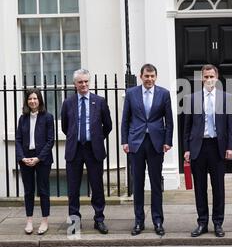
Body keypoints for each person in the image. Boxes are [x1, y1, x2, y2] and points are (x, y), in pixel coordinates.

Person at [183, 64, 232, 238]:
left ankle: (218, 223)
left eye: (211, 76)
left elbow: (230, 125)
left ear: (217, 77)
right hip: (198, 147)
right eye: (206, 77)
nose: (209, 80)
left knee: (218, 188)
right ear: (201, 78)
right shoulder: (192, 98)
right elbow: (187, 127)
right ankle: (202, 223)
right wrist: (186, 149)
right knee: (200, 188)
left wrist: (230, 146)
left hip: (217, 147)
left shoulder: (226, 98)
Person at [121, 64, 173, 236]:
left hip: (156, 143)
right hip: (136, 143)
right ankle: (139, 222)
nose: (149, 79)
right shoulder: (131, 93)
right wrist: (124, 141)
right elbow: (125, 119)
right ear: (140, 76)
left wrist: (168, 141)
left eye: (152, 76)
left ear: (156, 77)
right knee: (138, 184)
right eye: (146, 76)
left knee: (156, 183)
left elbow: (169, 120)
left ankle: (158, 221)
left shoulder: (164, 94)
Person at [61, 69, 112, 234]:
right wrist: (76, 136)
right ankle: (74, 222)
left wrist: (96, 137)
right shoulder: (68, 103)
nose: (83, 84)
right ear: (75, 84)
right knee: (73, 188)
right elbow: (65, 127)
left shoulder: (100, 101)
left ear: (90, 83)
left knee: (97, 187)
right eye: (80, 82)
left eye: (86, 82)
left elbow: (108, 125)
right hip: (74, 150)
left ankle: (99, 220)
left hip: (93, 149)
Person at [16, 88, 54, 235]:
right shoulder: (22, 118)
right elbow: (18, 140)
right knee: (28, 191)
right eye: (30, 99)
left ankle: (45, 221)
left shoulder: (48, 117)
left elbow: (50, 141)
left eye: (35, 98)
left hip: (42, 159)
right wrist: (22, 157)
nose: (32, 101)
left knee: (43, 190)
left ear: (40, 100)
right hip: (25, 158)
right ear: (27, 101)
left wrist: (38, 158)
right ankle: (29, 221)